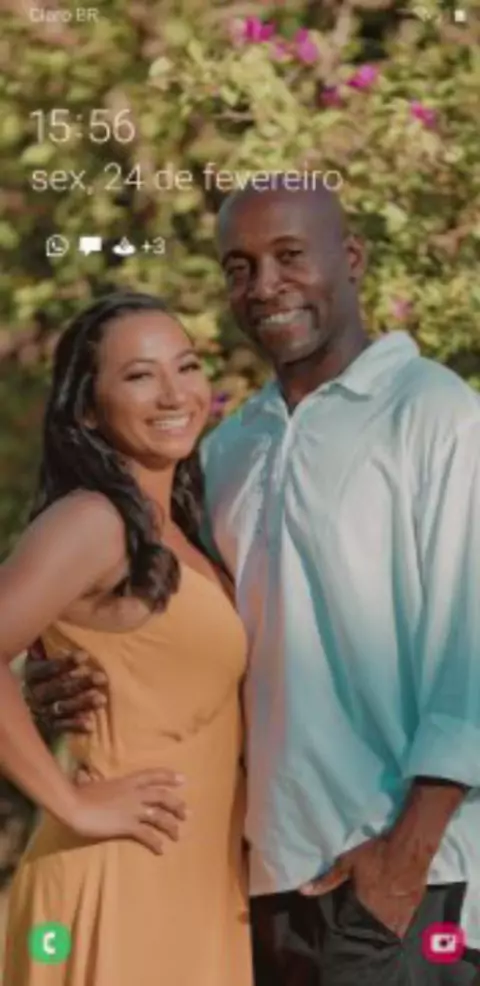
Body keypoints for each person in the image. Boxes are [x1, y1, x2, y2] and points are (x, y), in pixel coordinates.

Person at [25, 181, 480, 986]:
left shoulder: (436, 414)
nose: (265, 285)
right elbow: (166, 633)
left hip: (404, 877)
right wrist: (49, 677)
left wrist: (406, 858)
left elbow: (469, 651)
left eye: (290, 256)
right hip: (257, 880)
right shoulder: (227, 451)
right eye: (240, 267)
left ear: (351, 258)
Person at [2, 292, 252, 986]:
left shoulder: (182, 528)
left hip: (198, 876)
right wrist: (70, 801)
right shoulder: (93, 520)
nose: (174, 394)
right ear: (87, 409)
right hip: (119, 869)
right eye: (140, 375)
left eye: (186, 366)